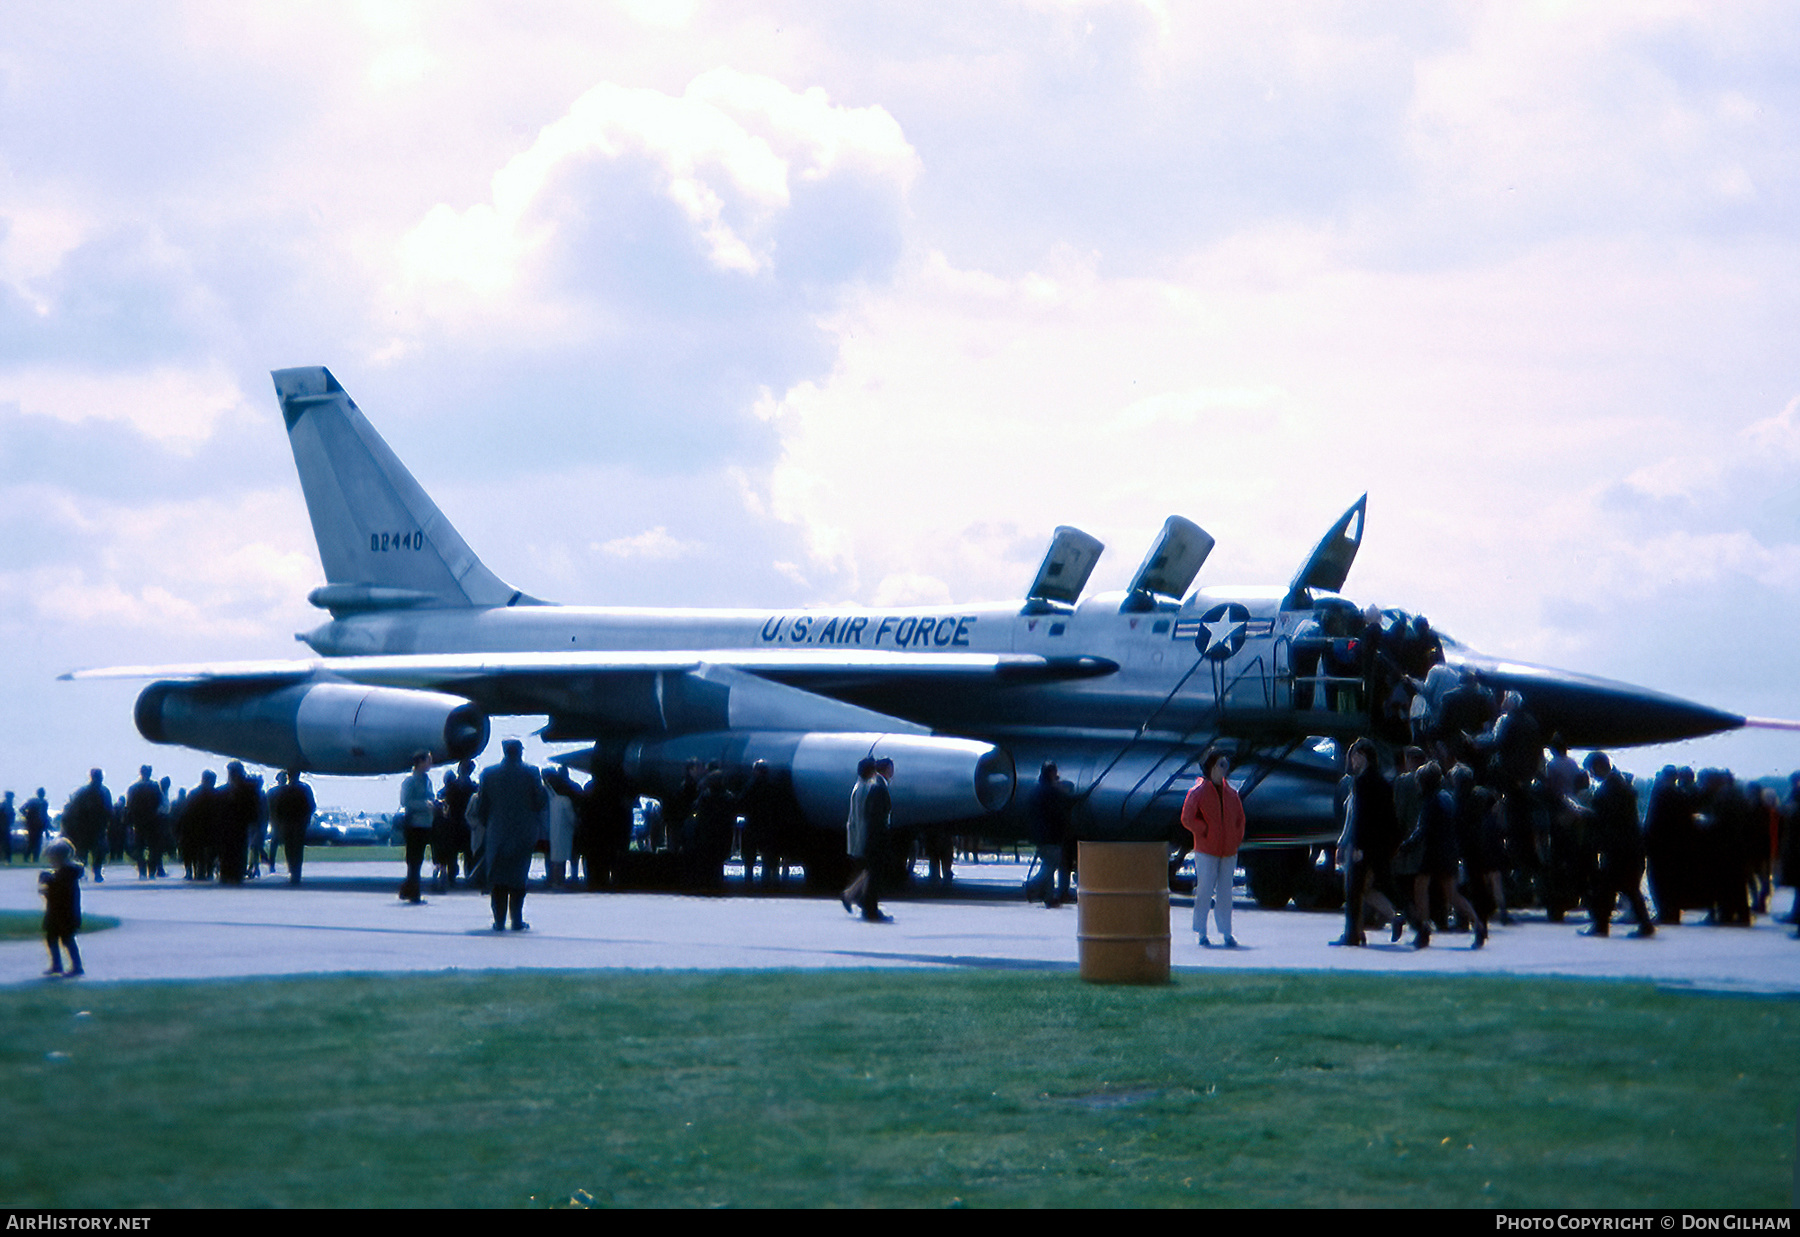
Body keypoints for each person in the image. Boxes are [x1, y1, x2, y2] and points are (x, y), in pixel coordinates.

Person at [470, 739, 548, 931]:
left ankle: (498, 920)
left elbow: (482, 806)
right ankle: (517, 920)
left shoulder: (489, 773)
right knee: (518, 878)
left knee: (497, 878)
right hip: (524, 832)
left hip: (497, 832)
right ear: (520, 752)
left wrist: (489, 823)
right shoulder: (531, 773)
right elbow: (539, 801)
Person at [1580, 752, 1653, 938]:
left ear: (1598, 766)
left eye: (1591, 770)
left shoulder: (1611, 788)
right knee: (1628, 887)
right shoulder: (1619, 784)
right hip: (1627, 845)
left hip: (1617, 846)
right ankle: (1643, 925)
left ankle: (1601, 926)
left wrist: (1585, 813)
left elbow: (1606, 818)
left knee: (1607, 887)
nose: (1591, 774)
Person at [1334, 738, 1399, 946]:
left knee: (1354, 891)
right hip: (1374, 844)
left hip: (1360, 844)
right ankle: (1359, 931)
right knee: (1363, 890)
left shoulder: (1361, 783)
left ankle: (1354, 933)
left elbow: (1356, 818)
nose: (1351, 760)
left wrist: (1347, 844)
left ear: (1362, 756)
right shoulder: (1377, 782)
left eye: (1354, 755)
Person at [1181, 749, 1245, 948]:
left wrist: (1235, 839)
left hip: (1228, 851)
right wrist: (1204, 830)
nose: (1224, 769)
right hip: (1207, 850)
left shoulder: (1232, 793)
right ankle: (1201, 931)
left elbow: (1240, 820)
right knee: (1205, 890)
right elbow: (1187, 818)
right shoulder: (1198, 792)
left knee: (1225, 892)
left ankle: (1226, 932)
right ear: (1211, 767)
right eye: (1220, 765)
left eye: (1225, 765)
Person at [1025, 761, 1073, 907]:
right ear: (1051, 773)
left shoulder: (1037, 790)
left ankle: (1049, 897)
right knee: (1050, 866)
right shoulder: (1053, 792)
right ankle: (1033, 884)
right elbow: (1062, 808)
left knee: (1047, 863)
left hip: (1040, 834)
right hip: (1052, 835)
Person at [39, 837, 84, 978]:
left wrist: (49, 885)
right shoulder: (61, 874)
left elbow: (62, 892)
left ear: (59, 857)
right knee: (51, 937)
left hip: (66, 913)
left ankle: (77, 966)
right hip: (56, 912)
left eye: (52, 858)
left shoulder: (68, 873)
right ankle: (56, 964)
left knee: (67, 939)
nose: (51, 862)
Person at [398, 752, 435, 903]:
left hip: (426, 824)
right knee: (413, 859)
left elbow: (431, 796)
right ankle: (413, 890)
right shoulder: (409, 781)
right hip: (414, 824)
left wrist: (434, 803)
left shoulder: (427, 781)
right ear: (420, 762)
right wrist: (424, 805)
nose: (430, 764)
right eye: (428, 761)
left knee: (418, 859)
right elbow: (405, 802)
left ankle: (411, 889)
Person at [270, 770, 316, 885]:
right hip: (298, 823)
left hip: (288, 823)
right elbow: (311, 805)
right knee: (297, 848)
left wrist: (277, 821)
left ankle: (292, 869)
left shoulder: (283, 790)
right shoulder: (304, 789)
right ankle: (296, 871)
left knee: (290, 847)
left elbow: (276, 808)